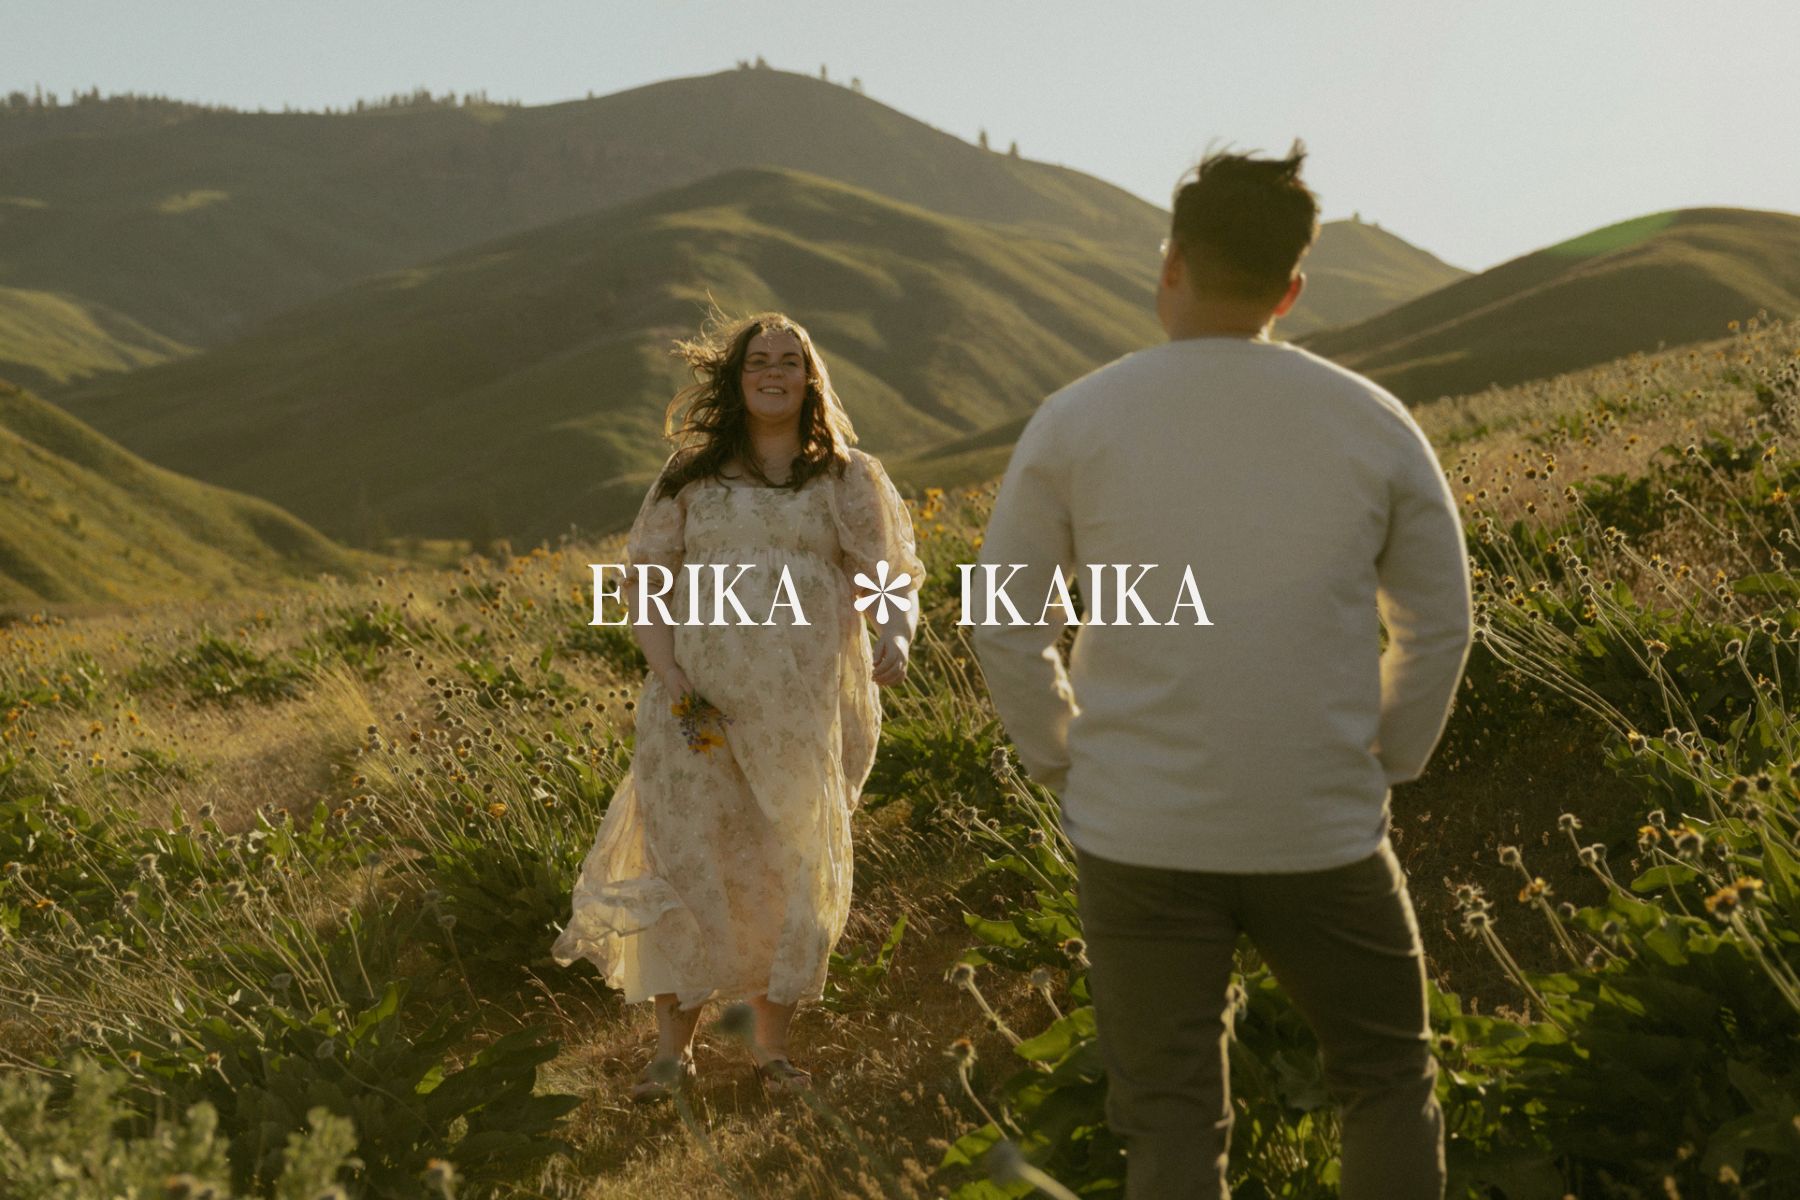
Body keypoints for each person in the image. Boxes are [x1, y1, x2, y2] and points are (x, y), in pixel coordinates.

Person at [971, 143, 1473, 1199]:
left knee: (1168, 1114)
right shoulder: (1371, 421)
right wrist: (1385, 758)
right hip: (1320, 821)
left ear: (1172, 263)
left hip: (1137, 830)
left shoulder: (1078, 418)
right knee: (1387, 1078)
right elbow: (1440, 627)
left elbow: (1004, 621)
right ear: (1292, 289)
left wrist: (1064, 756)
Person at [551, 311, 922, 1101]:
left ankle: (769, 1052)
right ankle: (671, 1054)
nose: (774, 372)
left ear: (811, 379)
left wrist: (896, 634)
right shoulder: (690, 475)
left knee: (790, 863)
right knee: (686, 859)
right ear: (737, 375)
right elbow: (646, 583)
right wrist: (671, 676)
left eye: (790, 360)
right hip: (697, 709)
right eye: (759, 360)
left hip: (799, 713)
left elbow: (887, 575)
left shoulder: (846, 476)